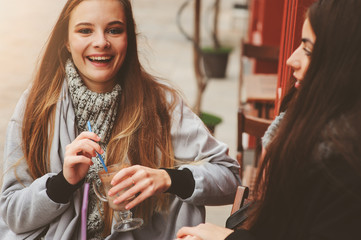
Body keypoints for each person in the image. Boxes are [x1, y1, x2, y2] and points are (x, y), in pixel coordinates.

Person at [0, 0, 241, 239]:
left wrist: (168, 178)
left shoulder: (162, 105)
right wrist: (62, 183)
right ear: (66, 39)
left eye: (114, 30)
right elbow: (12, 215)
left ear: (129, 38)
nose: (101, 42)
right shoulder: (36, 106)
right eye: (85, 30)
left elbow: (230, 180)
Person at [176, 0, 361, 239]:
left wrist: (226, 237)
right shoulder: (307, 122)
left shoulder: (343, 171)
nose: (291, 60)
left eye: (308, 50)